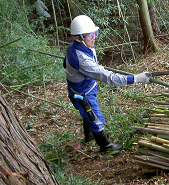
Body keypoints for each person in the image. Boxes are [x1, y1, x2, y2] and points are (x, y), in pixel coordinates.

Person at [63, 15, 151, 152]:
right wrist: (136, 78)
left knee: (88, 113)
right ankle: (105, 146)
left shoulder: (76, 47)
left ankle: (89, 135)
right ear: (79, 38)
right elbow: (108, 77)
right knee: (95, 118)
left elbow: (65, 64)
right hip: (81, 93)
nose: (94, 38)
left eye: (94, 34)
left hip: (88, 86)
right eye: (90, 36)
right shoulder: (81, 59)